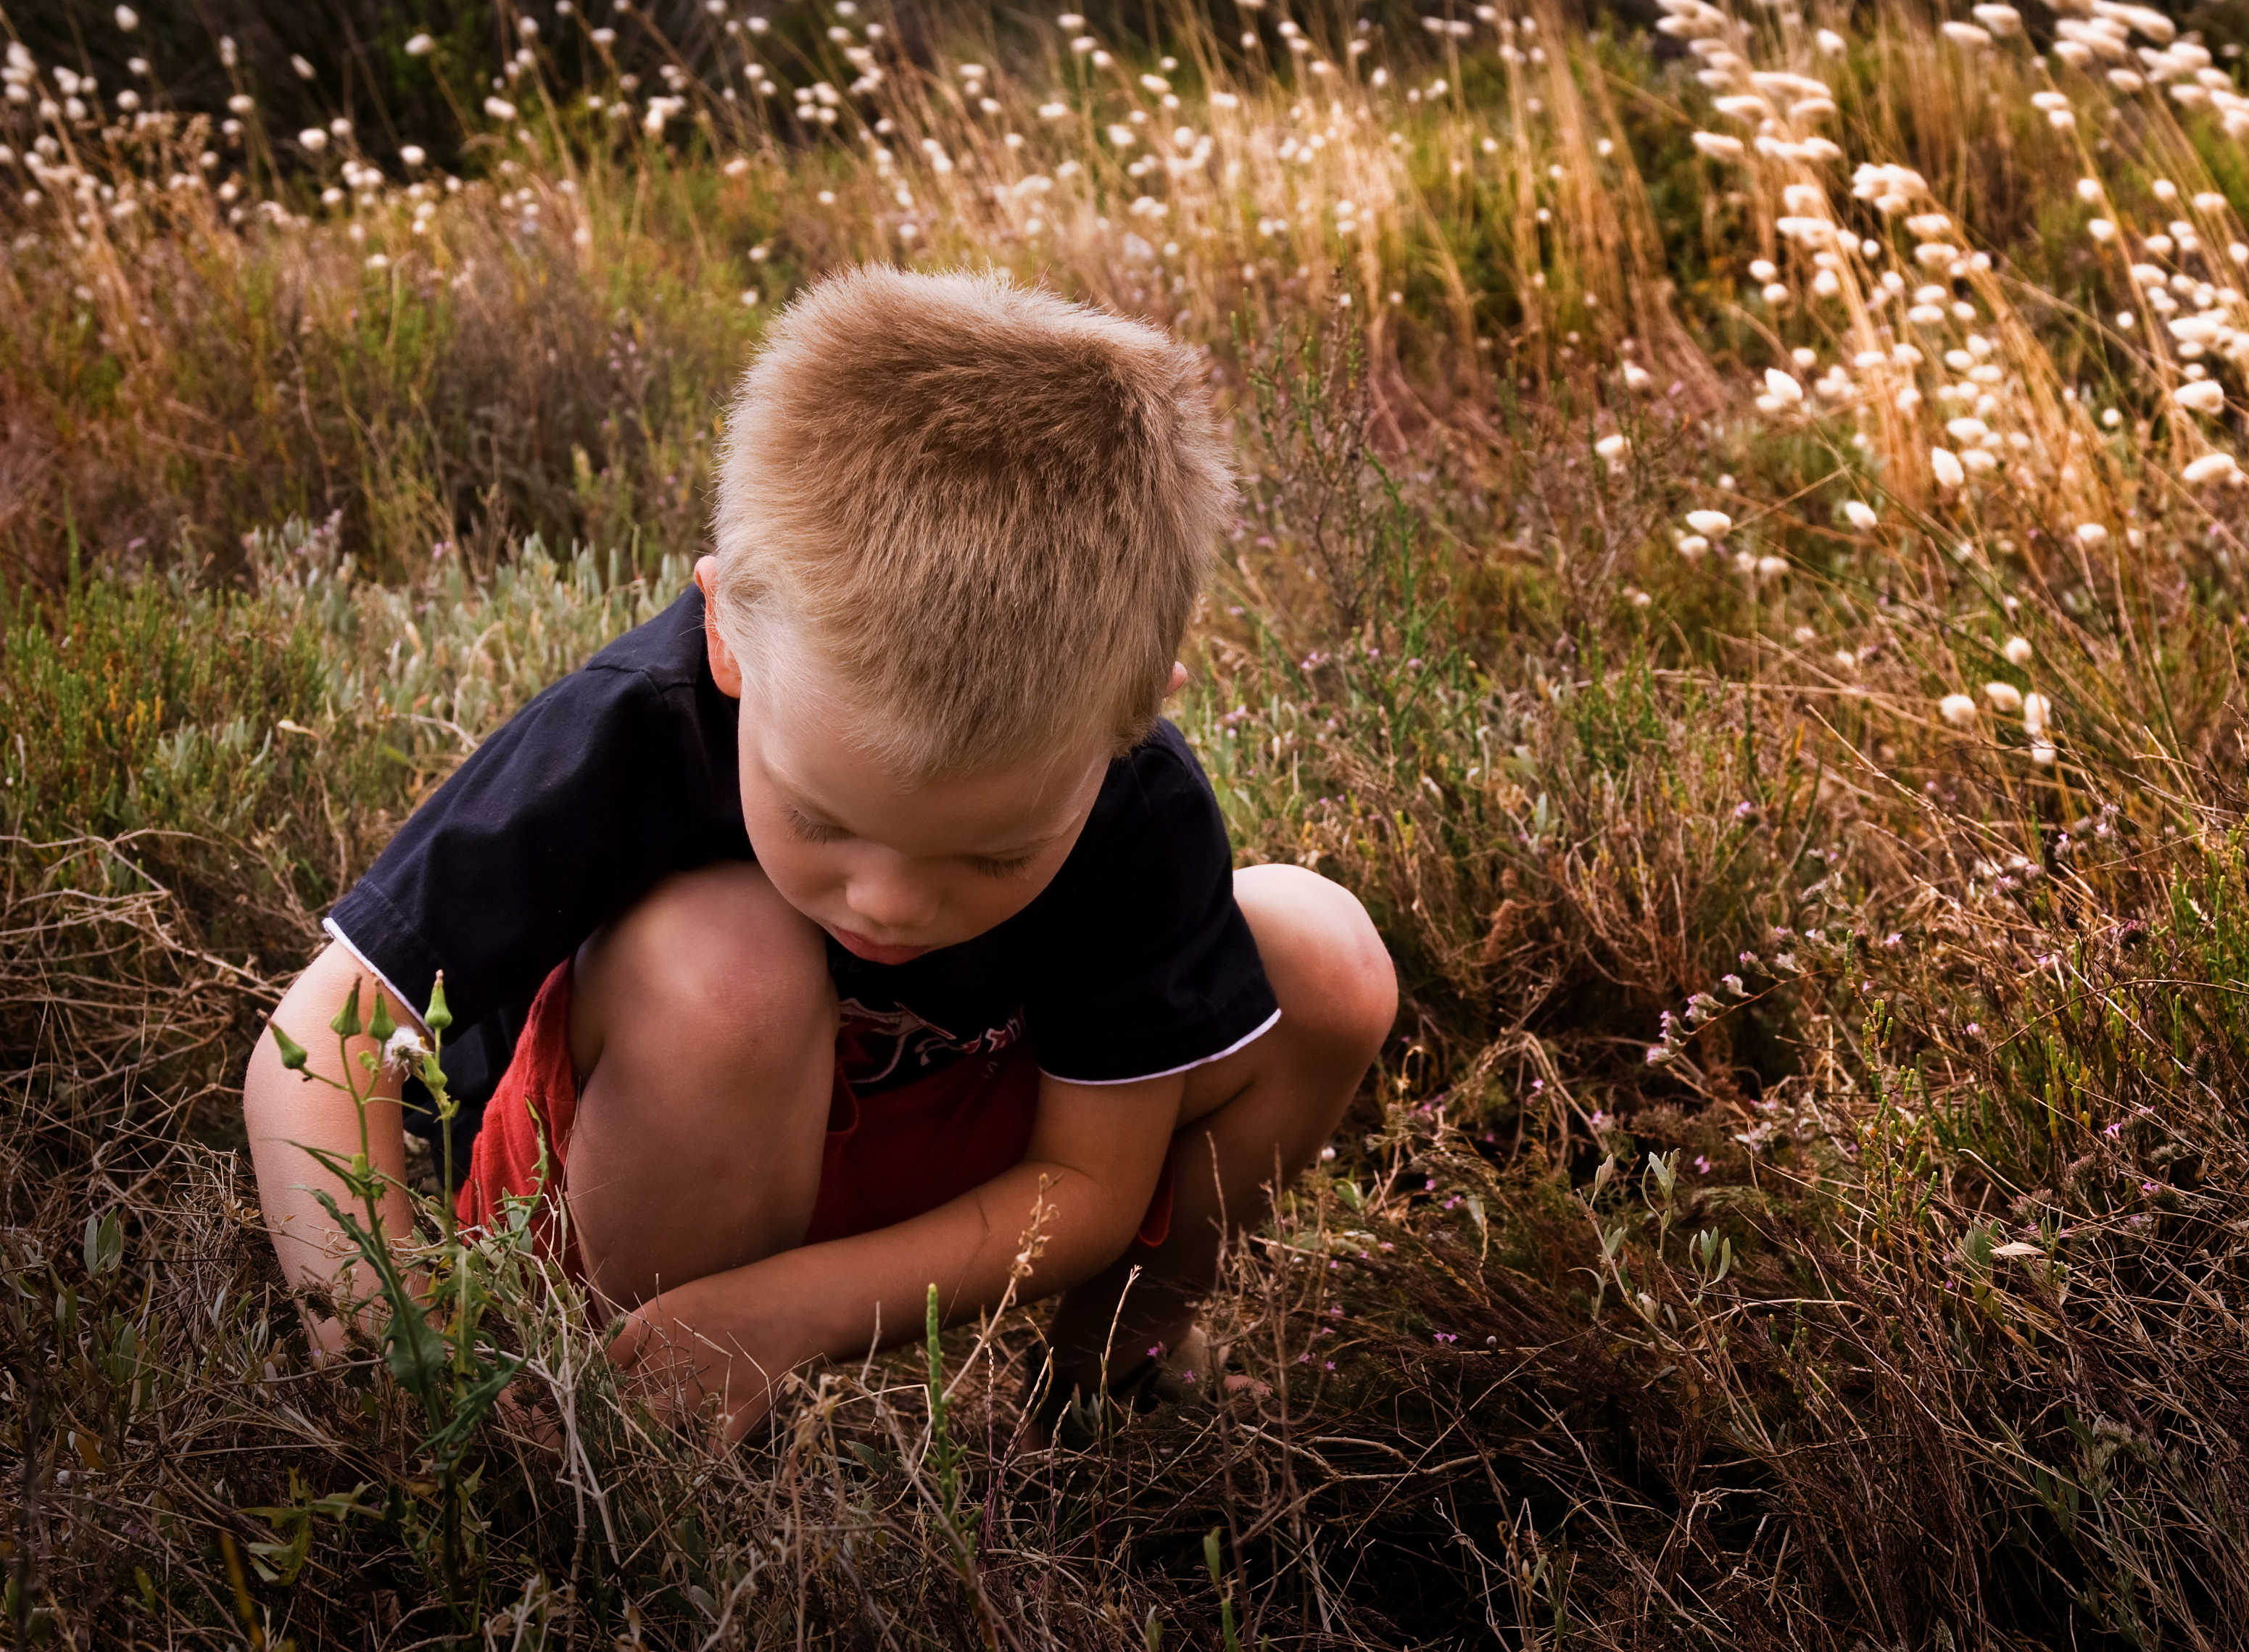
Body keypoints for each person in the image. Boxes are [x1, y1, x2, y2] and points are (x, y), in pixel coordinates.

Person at [241, 266, 1398, 1443]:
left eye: (990, 858)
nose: (890, 905)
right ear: (727, 637)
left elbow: (1089, 1188)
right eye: (823, 822)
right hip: (620, 1157)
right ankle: (624, 1436)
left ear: (1131, 719)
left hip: (917, 1160)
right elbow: (312, 1040)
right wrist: (401, 1355)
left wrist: (792, 1310)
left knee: (1318, 958)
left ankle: (1117, 1389)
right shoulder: (636, 725)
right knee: (727, 961)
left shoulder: (1138, 803)